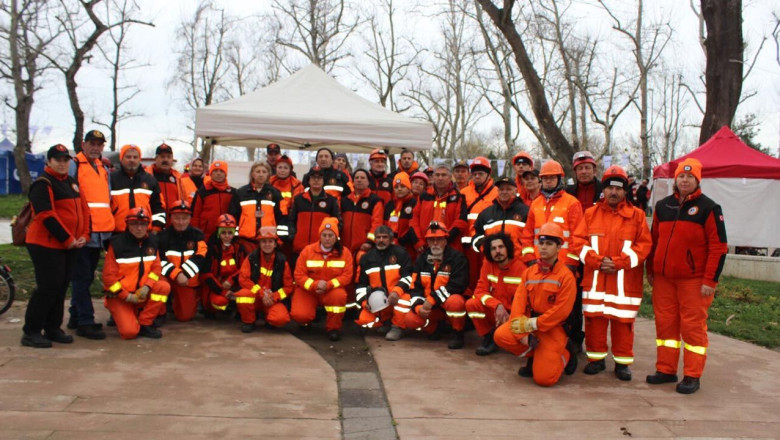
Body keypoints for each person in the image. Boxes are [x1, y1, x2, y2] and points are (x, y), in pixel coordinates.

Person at [646, 158, 727, 394]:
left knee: (692, 328)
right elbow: (654, 241)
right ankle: (666, 369)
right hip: (664, 279)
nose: (684, 180)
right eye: (681, 176)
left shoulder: (709, 208)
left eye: (690, 177)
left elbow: (719, 247)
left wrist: (710, 281)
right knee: (665, 325)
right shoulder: (663, 206)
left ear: (697, 180)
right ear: (676, 179)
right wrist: (650, 269)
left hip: (693, 281)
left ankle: (692, 375)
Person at [580, 166, 652, 381]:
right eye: (610, 187)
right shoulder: (590, 214)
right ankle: (596, 359)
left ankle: (622, 363)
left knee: (623, 323)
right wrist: (597, 261)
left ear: (625, 191)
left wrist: (619, 263)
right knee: (594, 321)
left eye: (618, 189)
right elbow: (578, 242)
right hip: (595, 281)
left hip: (624, 285)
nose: (613, 192)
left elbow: (644, 246)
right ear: (604, 190)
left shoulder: (637, 216)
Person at [21, 144, 90, 348]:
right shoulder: (43, 183)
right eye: (57, 159)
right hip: (46, 244)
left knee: (60, 287)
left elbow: (84, 211)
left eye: (65, 160)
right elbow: (46, 215)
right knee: (48, 287)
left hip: (71, 246)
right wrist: (67, 239)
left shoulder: (71, 183)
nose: (62, 163)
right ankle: (31, 331)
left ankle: (52, 328)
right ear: (48, 161)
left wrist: (85, 235)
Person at [494, 223, 577, 387]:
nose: (544, 247)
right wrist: (522, 335)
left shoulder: (566, 277)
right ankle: (535, 356)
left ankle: (565, 354)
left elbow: (561, 312)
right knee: (500, 335)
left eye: (549, 244)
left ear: (559, 246)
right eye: (541, 243)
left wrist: (534, 324)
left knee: (544, 380)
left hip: (553, 329)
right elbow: (518, 305)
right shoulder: (529, 273)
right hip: (530, 325)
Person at [521, 159, 586, 361]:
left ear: (560, 179)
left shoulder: (571, 203)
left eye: (552, 178)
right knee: (540, 306)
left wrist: (570, 265)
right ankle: (540, 344)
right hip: (539, 269)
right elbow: (526, 236)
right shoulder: (536, 204)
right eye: (545, 178)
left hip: (564, 269)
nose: (548, 181)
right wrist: (531, 260)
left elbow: (579, 236)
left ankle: (572, 344)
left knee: (570, 310)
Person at [68, 129, 113, 340]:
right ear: (83, 144)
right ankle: (85, 321)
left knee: (84, 277)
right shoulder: (74, 165)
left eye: (99, 144)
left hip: (100, 233)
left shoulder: (102, 166)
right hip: (83, 232)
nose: (95, 147)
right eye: (92, 143)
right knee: (82, 278)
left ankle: (75, 316)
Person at [102, 207, 171, 339]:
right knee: (129, 333)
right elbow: (108, 278)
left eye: (143, 224)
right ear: (127, 224)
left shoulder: (152, 242)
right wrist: (126, 296)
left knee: (163, 287)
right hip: (121, 296)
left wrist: (147, 286)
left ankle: (145, 323)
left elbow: (156, 268)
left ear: (147, 225)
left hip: (142, 292)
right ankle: (124, 313)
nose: (139, 228)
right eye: (134, 224)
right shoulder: (117, 244)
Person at [403, 221, 469, 349]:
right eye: (431, 240)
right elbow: (415, 287)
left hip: (447, 303)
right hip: (431, 305)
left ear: (445, 240)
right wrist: (418, 308)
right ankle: (435, 328)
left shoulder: (457, 258)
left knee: (456, 301)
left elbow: (457, 285)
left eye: (438, 239)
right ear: (426, 242)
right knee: (410, 320)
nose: (435, 243)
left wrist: (432, 299)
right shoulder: (421, 259)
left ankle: (457, 332)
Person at [292, 217, 353, 341]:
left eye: (331, 235)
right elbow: (299, 275)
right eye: (324, 235)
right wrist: (315, 285)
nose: (327, 238)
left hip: (331, 290)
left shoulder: (345, 253)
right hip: (309, 291)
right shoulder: (307, 251)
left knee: (339, 296)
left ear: (336, 237)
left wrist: (328, 285)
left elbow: (346, 276)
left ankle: (334, 328)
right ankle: (305, 322)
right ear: (319, 236)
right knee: (299, 314)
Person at [466, 233, 525, 356]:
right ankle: (489, 337)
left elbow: (526, 302)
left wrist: (511, 316)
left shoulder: (521, 269)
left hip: (513, 316)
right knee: (472, 304)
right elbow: (480, 291)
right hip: (495, 311)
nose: (497, 251)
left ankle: (505, 336)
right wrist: (497, 305)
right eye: (493, 248)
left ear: (508, 248)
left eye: (501, 247)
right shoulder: (488, 264)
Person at [354, 225, 414, 340]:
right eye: (378, 237)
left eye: (385, 237)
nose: (381, 240)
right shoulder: (367, 258)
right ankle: (385, 323)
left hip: (398, 296)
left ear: (391, 239)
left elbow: (408, 276)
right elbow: (360, 285)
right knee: (364, 320)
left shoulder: (401, 254)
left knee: (405, 300)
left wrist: (397, 291)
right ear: (375, 239)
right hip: (379, 300)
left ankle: (397, 327)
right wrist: (364, 302)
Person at [235, 226, 293, 333]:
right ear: (259, 244)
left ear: (275, 244)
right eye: (264, 242)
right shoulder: (251, 258)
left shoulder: (282, 261)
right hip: (256, 297)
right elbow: (243, 279)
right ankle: (249, 321)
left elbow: (288, 287)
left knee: (281, 319)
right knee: (243, 295)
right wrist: (261, 293)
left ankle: (268, 318)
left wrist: (274, 297)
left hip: (272, 300)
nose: (267, 244)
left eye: (270, 241)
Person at [158, 200, 208, 322]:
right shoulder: (161, 237)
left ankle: (177, 303)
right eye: (177, 218)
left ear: (190, 218)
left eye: (184, 218)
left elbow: (200, 257)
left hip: (187, 280)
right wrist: (177, 274)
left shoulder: (197, 235)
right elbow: (159, 260)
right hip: (168, 277)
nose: (181, 222)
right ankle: (160, 312)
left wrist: (184, 274)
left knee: (185, 316)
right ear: (170, 218)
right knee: (159, 285)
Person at [410, 165, 468, 254]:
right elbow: (414, 220)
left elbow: (460, 222)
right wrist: (418, 241)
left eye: (443, 175)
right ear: (433, 177)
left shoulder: (458, 197)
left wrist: (445, 241)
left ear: (450, 177)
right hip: (426, 247)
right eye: (437, 175)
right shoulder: (424, 196)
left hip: (450, 248)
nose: (440, 178)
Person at [288, 165, 342, 262]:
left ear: (323, 181)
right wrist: (293, 236)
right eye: (313, 177)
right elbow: (291, 220)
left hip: (322, 250)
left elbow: (338, 223)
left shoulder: (331, 201)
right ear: (308, 180)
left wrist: (330, 241)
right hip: (299, 249)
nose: (316, 180)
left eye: (319, 178)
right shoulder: (298, 199)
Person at [460, 157, 498, 290]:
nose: (477, 176)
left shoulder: (497, 193)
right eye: (474, 174)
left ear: (488, 174)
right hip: (467, 245)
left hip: (487, 243)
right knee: (469, 278)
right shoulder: (464, 193)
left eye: (480, 174)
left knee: (488, 277)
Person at [201, 214, 248, 318]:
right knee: (219, 301)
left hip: (234, 284)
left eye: (230, 233)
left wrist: (231, 280)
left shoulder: (239, 249)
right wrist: (222, 291)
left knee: (244, 295)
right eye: (223, 232)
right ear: (218, 233)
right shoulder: (211, 250)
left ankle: (237, 308)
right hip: (218, 286)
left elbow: (244, 270)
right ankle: (222, 309)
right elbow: (206, 275)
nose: (227, 236)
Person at [110, 144, 165, 232]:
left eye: (135, 157)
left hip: (144, 233)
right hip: (118, 233)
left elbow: (158, 207)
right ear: (121, 158)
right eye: (128, 157)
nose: (132, 160)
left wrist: (156, 228)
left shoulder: (150, 180)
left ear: (140, 159)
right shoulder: (111, 178)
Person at [230, 161, 286, 248]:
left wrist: (281, 238)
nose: (261, 174)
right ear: (252, 174)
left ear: (268, 174)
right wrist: (234, 237)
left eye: (264, 172)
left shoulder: (276, 193)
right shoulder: (241, 193)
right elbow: (233, 216)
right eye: (258, 171)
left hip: (268, 242)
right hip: (245, 241)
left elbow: (283, 217)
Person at [472, 177, 529, 260]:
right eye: (501, 189)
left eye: (508, 189)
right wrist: (485, 248)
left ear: (516, 191)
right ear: (497, 191)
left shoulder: (525, 211)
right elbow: (476, 234)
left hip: (518, 261)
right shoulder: (486, 213)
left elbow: (531, 237)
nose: (504, 192)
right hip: (491, 262)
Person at [191, 160, 238, 239]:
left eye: (221, 171)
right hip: (206, 235)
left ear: (225, 174)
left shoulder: (232, 192)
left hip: (226, 235)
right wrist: (195, 234)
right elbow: (195, 215)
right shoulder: (202, 192)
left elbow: (237, 214)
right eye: (215, 171)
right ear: (211, 173)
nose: (218, 173)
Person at [146, 143, 197, 213]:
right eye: (162, 156)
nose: (165, 160)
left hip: (174, 221)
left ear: (172, 159)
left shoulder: (178, 179)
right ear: (156, 158)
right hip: (153, 220)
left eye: (168, 157)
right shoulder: (148, 177)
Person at [384, 172, 418, 260]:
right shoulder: (390, 205)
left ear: (409, 188)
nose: (399, 189)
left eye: (402, 186)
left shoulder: (414, 203)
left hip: (408, 246)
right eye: (396, 187)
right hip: (390, 245)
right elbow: (384, 224)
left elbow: (413, 225)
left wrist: (403, 239)